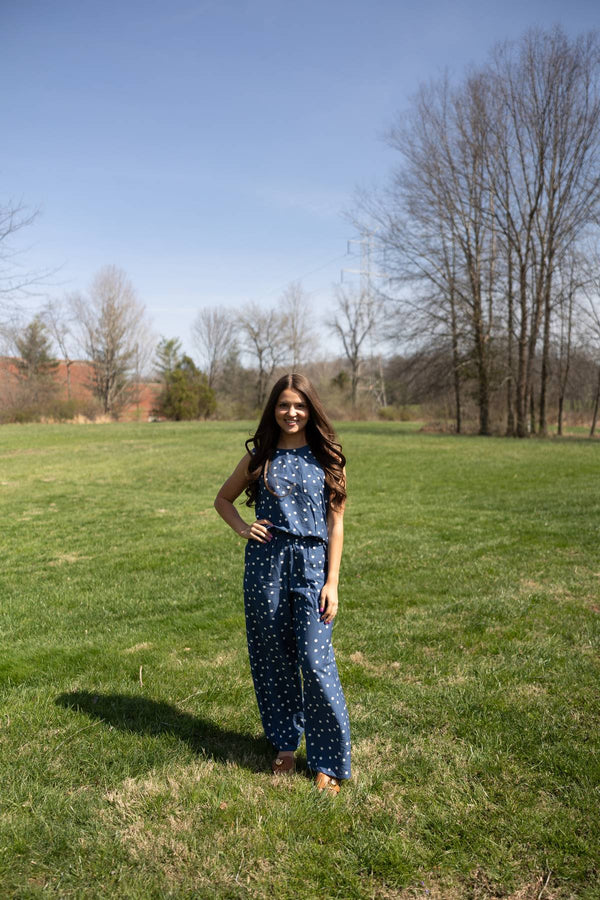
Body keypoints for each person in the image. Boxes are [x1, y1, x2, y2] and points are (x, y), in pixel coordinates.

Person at [214, 373, 351, 794]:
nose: (292, 412)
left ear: (311, 409)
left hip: (312, 565)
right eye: (284, 405)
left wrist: (332, 582)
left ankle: (329, 760)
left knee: (314, 660)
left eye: (300, 405)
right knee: (272, 657)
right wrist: (243, 528)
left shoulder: (329, 456)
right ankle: (285, 744)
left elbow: (336, 523)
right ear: (273, 409)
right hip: (266, 566)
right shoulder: (261, 457)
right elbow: (223, 499)